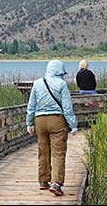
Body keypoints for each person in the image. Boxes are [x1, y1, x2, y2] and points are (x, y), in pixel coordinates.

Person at [25, 60, 78, 196]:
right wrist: (73, 125)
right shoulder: (62, 84)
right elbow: (67, 107)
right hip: (57, 120)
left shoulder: (37, 83)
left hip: (40, 121)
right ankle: (56, 183)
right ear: (60, 71)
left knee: (43, 151)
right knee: (58, 152)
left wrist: (29, 123)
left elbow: (31, 106)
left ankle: (43, 180)